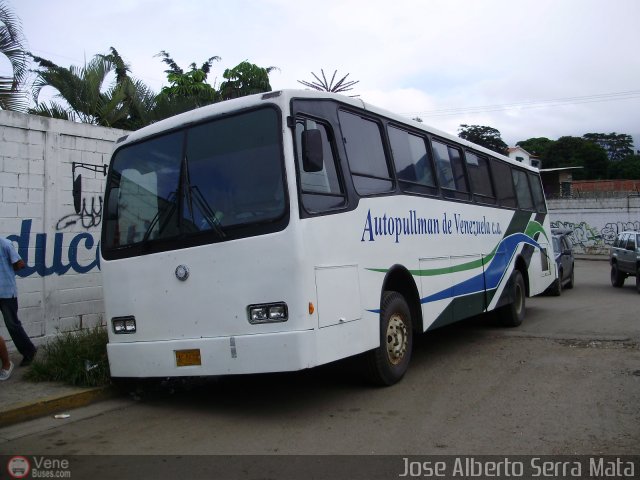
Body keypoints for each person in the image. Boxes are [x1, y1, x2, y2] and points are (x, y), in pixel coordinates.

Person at [0, 236, 37, 366]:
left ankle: (29, 351)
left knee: (12, 325)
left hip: (6, 293)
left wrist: (6, 270)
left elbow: (20, 263)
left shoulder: (5, 244)